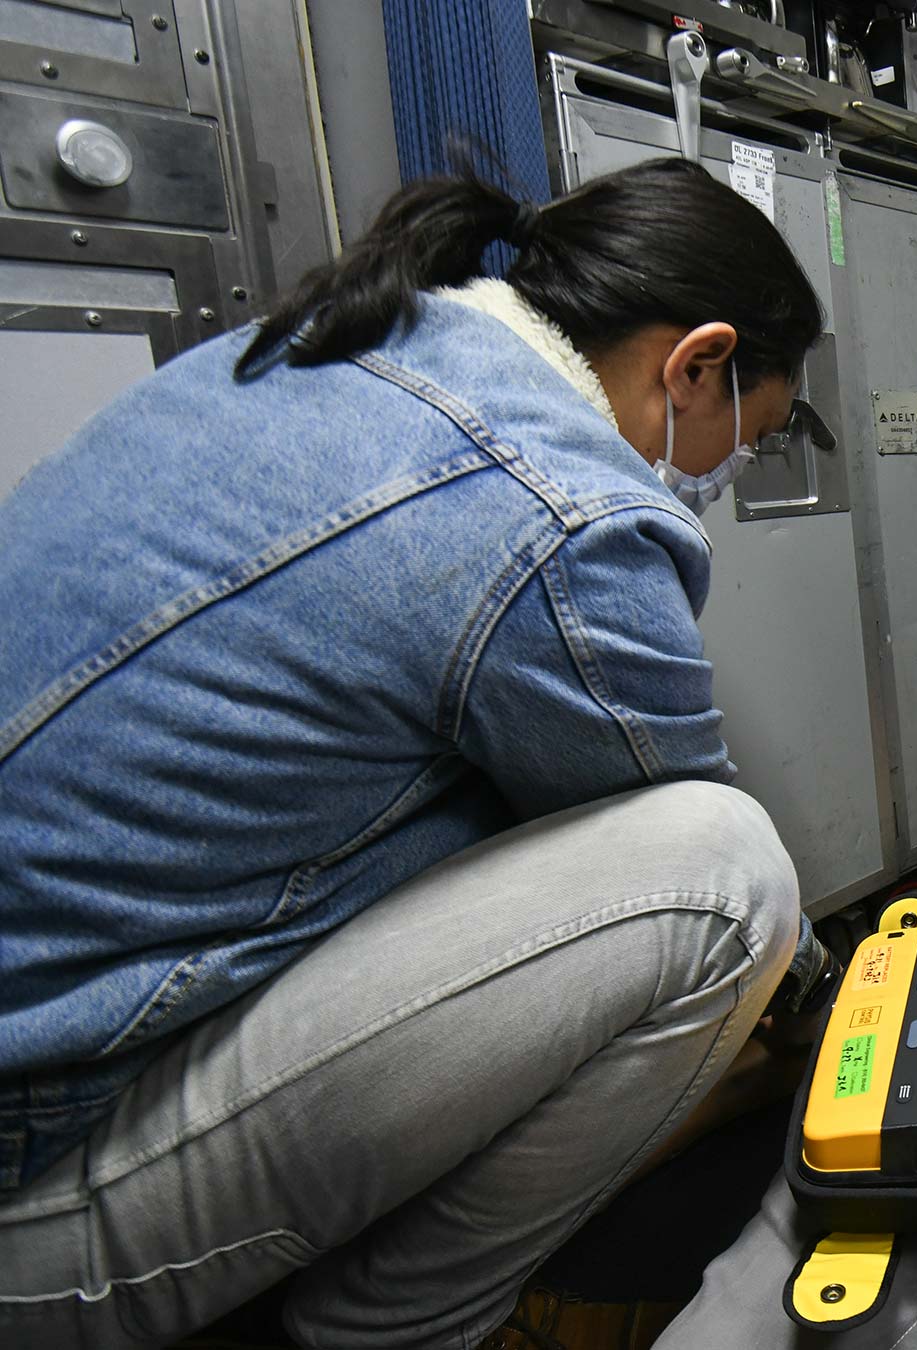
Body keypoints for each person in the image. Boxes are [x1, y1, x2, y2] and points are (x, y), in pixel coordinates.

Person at [0, 157, 821, 1346]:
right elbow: (666, 811)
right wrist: (818, 992)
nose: (725, 471)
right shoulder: (561, 512)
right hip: (31, 1151)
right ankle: (397, 1331)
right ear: (697, 363)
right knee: (728, 884)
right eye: (752, 432)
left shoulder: (328, 350)